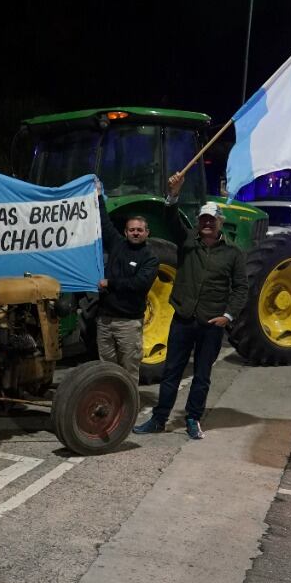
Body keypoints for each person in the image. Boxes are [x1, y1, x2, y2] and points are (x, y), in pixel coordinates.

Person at [133, 175, 248, 440]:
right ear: (198, 222)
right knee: (171, 372)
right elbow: (171, 218)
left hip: (211, 324)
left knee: (202, 376)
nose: (207, 224)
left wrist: (228, 316)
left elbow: (241, 288)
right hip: (183, 319)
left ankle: (193, 419)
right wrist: (173, 195)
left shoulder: (232, 254)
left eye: (212, 220)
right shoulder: (187, 243)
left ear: (220, 222)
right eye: (203, 220)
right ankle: (160, 418)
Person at [94, 182, 159, 386]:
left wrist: (109, 283)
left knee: (129, 369)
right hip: (105, 321)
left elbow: (138, 284)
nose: (136, 233)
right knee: (107, 369)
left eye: (140, 230)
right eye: (132, 230)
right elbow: (104, 224)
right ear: (125, 232)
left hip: (128, 323)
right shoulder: (117, 245)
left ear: (147, 233)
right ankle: (113, 407)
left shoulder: (150, 258)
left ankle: (130, 410)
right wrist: (97, 197)